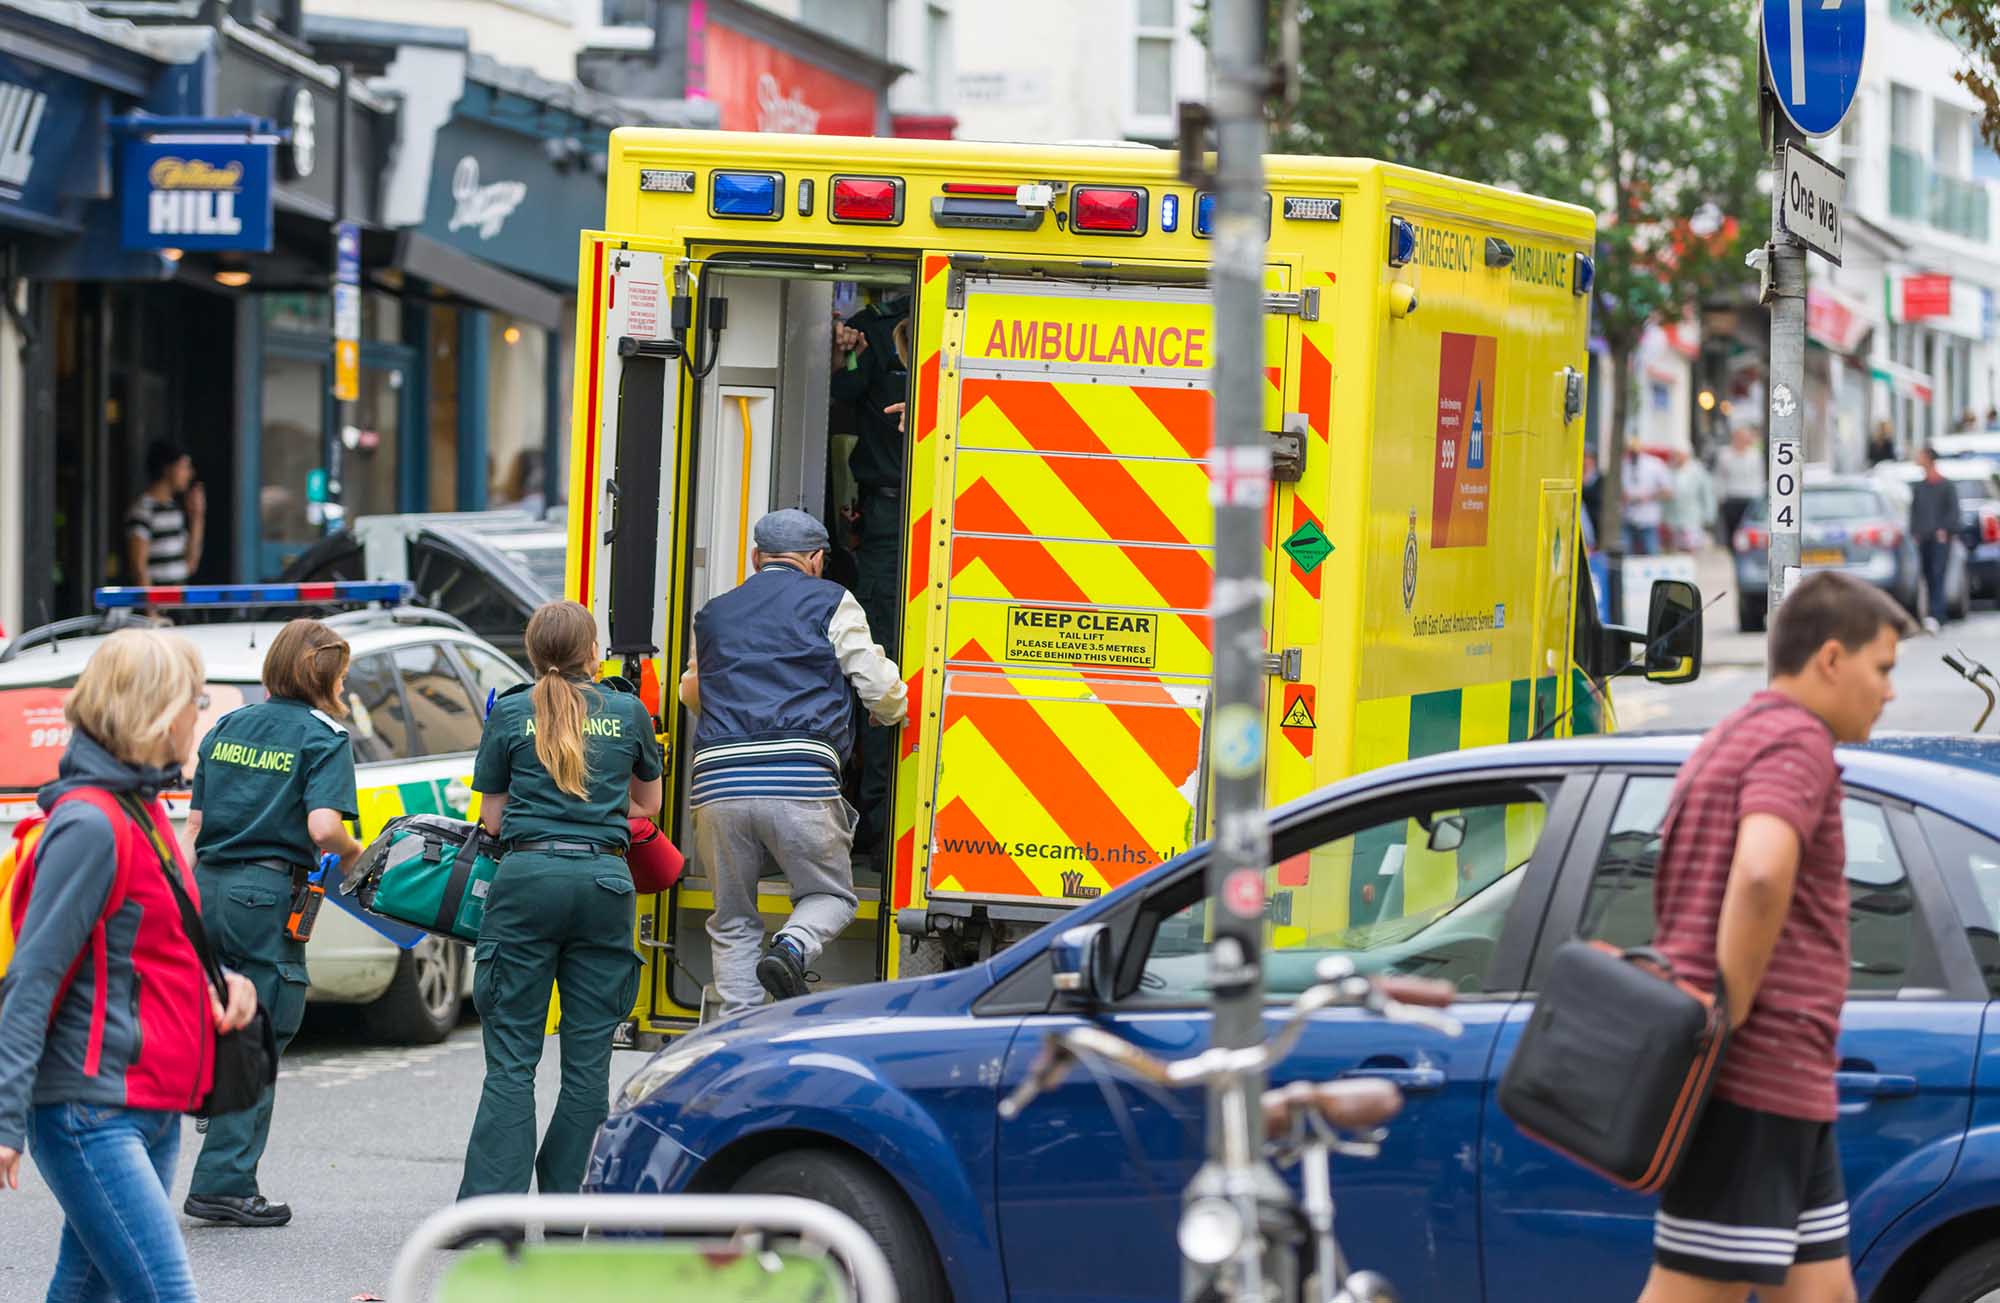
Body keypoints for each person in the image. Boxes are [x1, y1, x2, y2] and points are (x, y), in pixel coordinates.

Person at [1638, 571, 1910, 1303]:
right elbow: (1760, 871)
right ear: (1829, 658)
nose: (1888, 692)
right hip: (1755, 1073)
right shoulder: (1797, 742)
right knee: (1694, 1293)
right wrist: (1734, 1010)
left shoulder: (1734, 734)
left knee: (1821, 1292)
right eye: (1881, 668)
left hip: (1790, 1079)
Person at [0, 629, 258, 1303]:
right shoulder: (90, 823)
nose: (196, 715)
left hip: (147, 1099)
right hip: (92, 1108)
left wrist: (222, 984)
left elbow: (150, 950)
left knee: (84, 1291)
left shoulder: (137, 809)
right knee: (167, 1293)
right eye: (191, 700)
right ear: (151, 710)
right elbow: (35, 974)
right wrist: (3, 1117)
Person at [458, 600, 662, 1198]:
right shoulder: (627, 711)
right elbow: (646, 805)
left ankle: (491, 1208)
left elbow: (492, 821)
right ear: (592, 651)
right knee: (587, 1065)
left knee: (512, 1062)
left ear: (532, 650)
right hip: (603, 886)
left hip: (525, 885)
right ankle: (570, 1204)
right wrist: (592, 811)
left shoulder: (512, 711)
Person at [679, 509, 907, 1017]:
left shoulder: (714, 612)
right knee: (831, 896)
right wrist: (892, 711)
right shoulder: (833, 600)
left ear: (756, 558)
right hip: (799, 779)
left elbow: (692, 691)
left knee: (734, 918)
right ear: (817, 560)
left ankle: (736, 1028)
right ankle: (791, 948)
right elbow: (879, 689)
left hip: (716, 784)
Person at [182, 619, 363, 1227]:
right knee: (260, 1028)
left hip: (206, 886)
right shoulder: (324, 738)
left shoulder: (228, 726)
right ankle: (225, 1182)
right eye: (342, 672)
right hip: (265, 895)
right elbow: (322, 830)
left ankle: (209, 1129)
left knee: (213, 1016)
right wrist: (358, 855)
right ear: (326, 674)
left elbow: (196, 828)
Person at [830, 291, 912, 872]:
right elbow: (836, 394)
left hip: (935, 521)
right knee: (881, 671)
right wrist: (842, 349)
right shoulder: (872, 336)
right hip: (885, 524)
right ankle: (877, 824)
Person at [126, 439, 205, 585]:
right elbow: (138, 566)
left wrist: (197, 517)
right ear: (167, 469)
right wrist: (151, 606)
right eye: (184, 467)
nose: (189, 473)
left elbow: (190, 563)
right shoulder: (144, 510)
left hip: (178, 600)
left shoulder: (174, 509)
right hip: (157, 603)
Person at [1909, 445, 1959, 634]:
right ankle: (1932, 614)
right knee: (1928, 576)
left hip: (1940, 539)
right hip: (1924, 538)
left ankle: (1938, 614)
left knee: (1938, 574)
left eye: (1920, 456)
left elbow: (1953, 511)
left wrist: (1945, 529)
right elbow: (1914, 512)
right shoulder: (1920, 487)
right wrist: (1915, 532)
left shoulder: (1946, 486)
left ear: (1929, 458)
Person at [1715, 427, 1765, 546]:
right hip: (1731, 498)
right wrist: (1719, 497)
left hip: (1750, 498)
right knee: (1731, 535)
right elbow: (1719, 477)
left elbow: (1759, 476)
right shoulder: (1724, 455)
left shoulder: (1755, 455)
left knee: (1748, 533)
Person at [1622, 445, 1675, 555]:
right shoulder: (1623, 464)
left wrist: (1647, 497)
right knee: (1626, 557)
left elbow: (1669, 491)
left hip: (1648, 519)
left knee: (1651, 554)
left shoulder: (1654, 464)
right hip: (1626, 517)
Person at [1664, 448, 1717, 552]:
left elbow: (1707, 494)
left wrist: (1709, 515)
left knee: (1691, 547)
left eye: (1678, 455)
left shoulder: (1697, 471)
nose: (1676, 458)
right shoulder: (1669, 471)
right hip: (1674, 519)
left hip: (1693, 517)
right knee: (1676, 548)